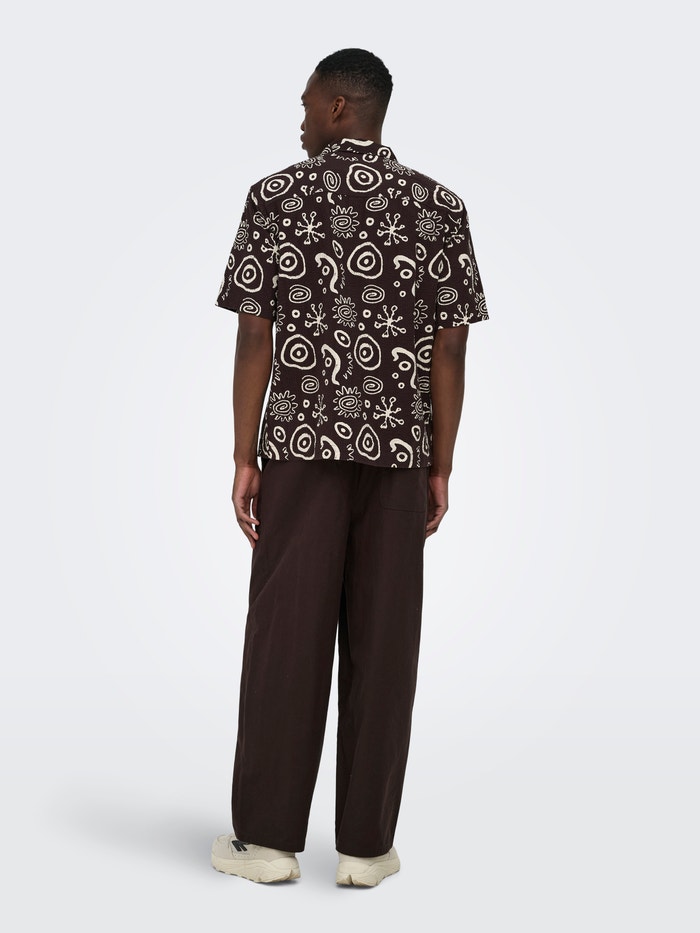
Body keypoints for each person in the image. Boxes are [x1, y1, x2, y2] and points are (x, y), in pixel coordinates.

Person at [211, 48, 489, 886]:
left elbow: (254, 333)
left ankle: (267, 843)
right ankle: (366, 849)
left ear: (338, 106)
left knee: (286, 636)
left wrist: (245, 452)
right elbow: (449, 348)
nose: (299, 119)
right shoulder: (440, 206)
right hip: (400, 453)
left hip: (300, 447)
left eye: (306, 103)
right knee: (386, 636)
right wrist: (440, 462)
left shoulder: (277, 197)